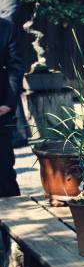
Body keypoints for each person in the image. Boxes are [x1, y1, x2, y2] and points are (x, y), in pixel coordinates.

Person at [0, 17, 25, 197]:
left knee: (4, 170)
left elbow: (15, 67)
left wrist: (8, 104)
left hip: (1, 109)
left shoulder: (6, 27)